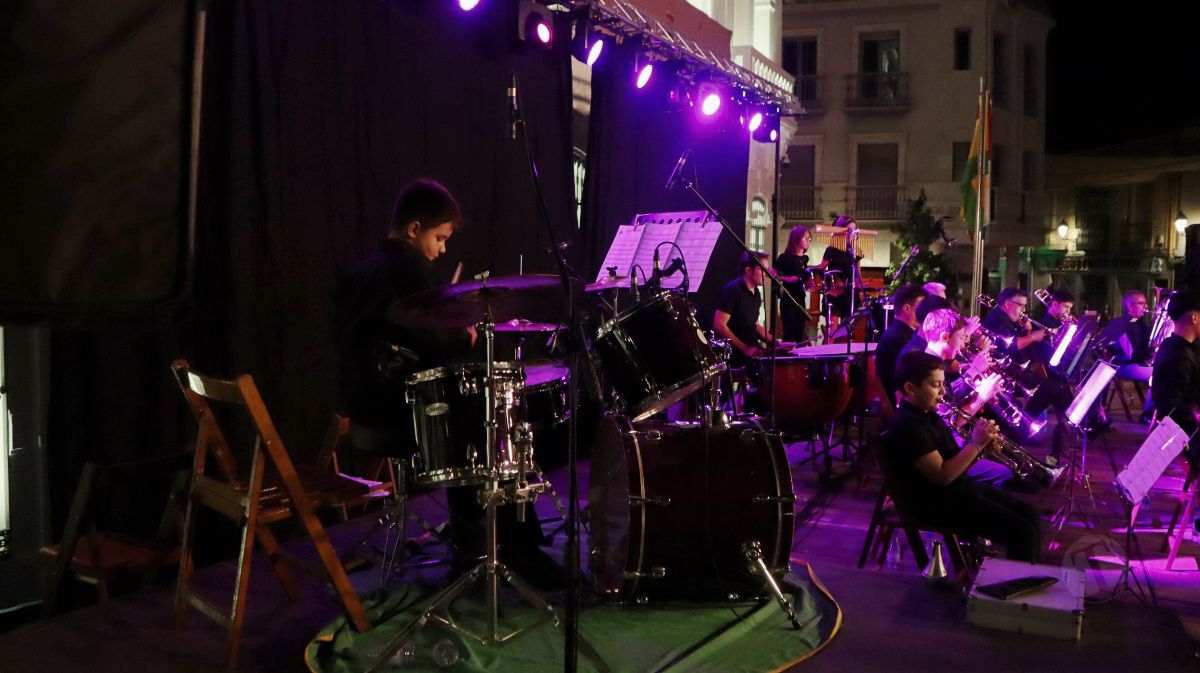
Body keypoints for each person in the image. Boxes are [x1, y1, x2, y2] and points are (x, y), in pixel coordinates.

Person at [335, 179, 554, 582]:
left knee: (470, 407)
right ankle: (507, 548)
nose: (442, 249)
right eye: (439, 238)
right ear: (414, 230)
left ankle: (476, 539)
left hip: (359, 413)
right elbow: (435, 340)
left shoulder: (361, 269)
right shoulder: (407, 267)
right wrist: (464, 335)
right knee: (486, 419)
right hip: (394, 416)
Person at [886, 351, 1043, 562]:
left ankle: (1027, 582)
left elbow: (952, 457)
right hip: (937, 503)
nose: (943, 391)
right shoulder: (909, 425)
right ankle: (1015, 588)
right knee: (1022, 532)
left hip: (958, 491)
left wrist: (982, 448)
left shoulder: (926, 413)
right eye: (935, 385)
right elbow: (942, 476)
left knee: (1031, 515)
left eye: (942, 384)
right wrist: (977, 444)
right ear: (910, 388)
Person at [714, 251, 774, 412]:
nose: (766, 274)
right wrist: (745, 348)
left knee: (778, 359)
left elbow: (755, 325)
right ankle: (750, 410)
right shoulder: (733, 290)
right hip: (733, 352)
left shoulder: (756, 294)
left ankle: (763, 411)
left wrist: (777, 343)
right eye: (762, 269)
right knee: (764, 372)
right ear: (748, 270)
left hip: (750, 349)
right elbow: (719, 325)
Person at [1150, 288, 1200, 469]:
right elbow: (1171, 409)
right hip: (1188, 431)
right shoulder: (1180, 357)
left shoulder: (1172, 345)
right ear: (1194, 318)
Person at [1098, 289, 1154, 422]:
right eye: (1141, 303)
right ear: (1129, 305)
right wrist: (1151, 350)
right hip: (1122, 365)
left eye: (1145, 303)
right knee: (1158, 374)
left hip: (1136, 363)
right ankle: (1147, 415)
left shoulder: (1141, 323)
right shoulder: (1121, 324)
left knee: (1164, 370)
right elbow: (1132, 355)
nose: (1146, 307)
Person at [876, 283, 927, 408]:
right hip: (903, 405)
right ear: (907, 308)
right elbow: (918, 374)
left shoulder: (901, 332)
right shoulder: (899, 338)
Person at [814, 215, 859, 335]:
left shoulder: (856, 251)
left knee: (846, 333)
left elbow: (857, 273)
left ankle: (845, 354)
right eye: (849, 230)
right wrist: (826, 285)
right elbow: (820, 269)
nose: (852, 233)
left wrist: (861, 285)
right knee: (832, 332)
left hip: (849, 293)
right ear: (841, 231)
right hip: (835, 293)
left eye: (854, 230)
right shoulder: (832, 249)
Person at [774, 225, 812, 342]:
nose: (808, 240)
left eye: (809, 238)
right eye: (805, 237)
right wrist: (787, 278)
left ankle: (799, 358)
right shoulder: (784, 257)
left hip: (800, 298)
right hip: (788, 298)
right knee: (789, 332)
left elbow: (806, 280)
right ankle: (787, 358)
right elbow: (772, 273)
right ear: (796, 239)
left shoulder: (805, 259)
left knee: (800, 332)